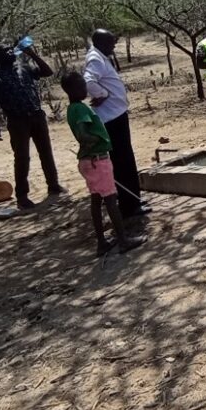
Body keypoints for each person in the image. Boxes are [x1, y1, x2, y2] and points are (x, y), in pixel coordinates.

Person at [61, 71, 146, 256]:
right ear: (72, 89)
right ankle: (123, 240)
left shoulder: (72, 109)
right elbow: (83, 134)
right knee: (110, 200)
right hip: (97, 160)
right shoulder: (81, 109)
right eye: (82, 86)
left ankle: (102, 242)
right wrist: (98, 141)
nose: (86, 89)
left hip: (88, 161)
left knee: (96, 199)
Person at [0, 42, 66, 209]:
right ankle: (22, 196)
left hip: (37, 115)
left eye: (10, 48)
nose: (10, 51)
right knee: (22, 158)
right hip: (17, 120)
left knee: (46, 151)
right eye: (5, 50)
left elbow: (47, 72)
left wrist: (33, 54)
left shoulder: (24, 67)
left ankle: (53, 184)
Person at [83, 29, 150, 218]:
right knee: (123, 162)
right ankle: (130, 206)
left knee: (125, 160)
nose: (114, 45)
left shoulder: (99, 56)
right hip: (111, 119)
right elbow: (88, 82)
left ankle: (132, 198)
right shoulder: (95, 58)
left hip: (115, 115)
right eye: (111, 42)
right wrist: (102, 94)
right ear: (101, 42)